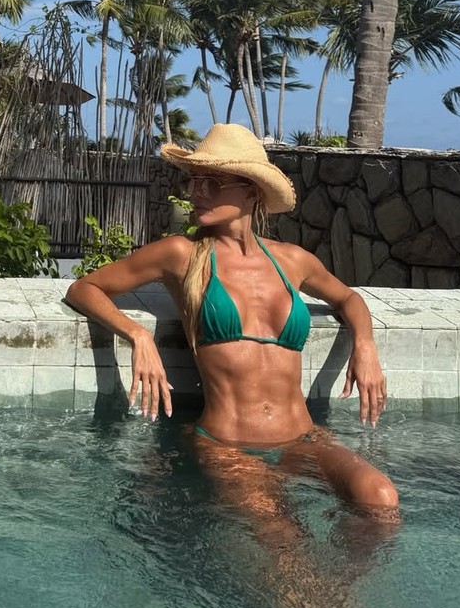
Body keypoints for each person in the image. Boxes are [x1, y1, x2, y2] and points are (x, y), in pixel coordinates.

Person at [64, 124, 398, 513]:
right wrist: (138, 335)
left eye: (213, 183)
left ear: (252, 191)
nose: (196, 192)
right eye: (194, 181)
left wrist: (365, 346)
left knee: (381, 498)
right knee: (281, 541)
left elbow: (349, 298)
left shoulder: (291, 260)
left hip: (302, 437)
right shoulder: (181, 254)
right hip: (227, 444)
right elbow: (83, 289)